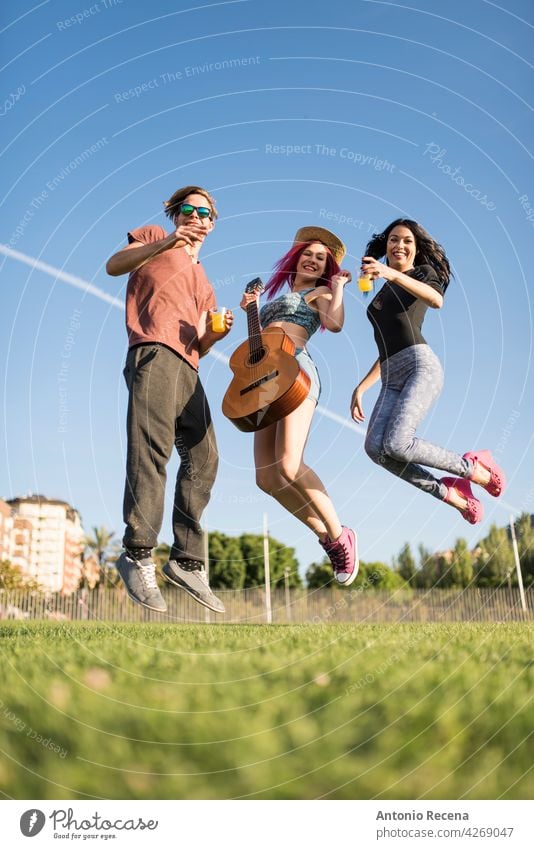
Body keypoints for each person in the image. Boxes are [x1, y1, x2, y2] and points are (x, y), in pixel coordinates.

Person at [106, 185, 234, 614]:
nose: (195, 216)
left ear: (212, 225)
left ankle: (187, 560)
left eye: (204, 213)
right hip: (153, 351)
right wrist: (165, 242)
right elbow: (113, 266)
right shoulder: (150, 237)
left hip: (189, 366)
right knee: (152, 450)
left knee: (205, 457)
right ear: (176, 214)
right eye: (188, 209)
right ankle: (138, 554)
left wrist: (217, 333)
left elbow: (202, 340)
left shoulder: (204, 282)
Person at [350, 218, 505, 523]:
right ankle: (453, 496)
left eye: (407, 240)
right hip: (391, 375)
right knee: (376, 449)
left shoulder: (423, 274)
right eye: (394, 240)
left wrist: (389, 273)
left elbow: (436, 300)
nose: (399, 245)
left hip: (420, 366)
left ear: (416, 248)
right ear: (387, 245)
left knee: (398, 443)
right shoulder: (383, 291)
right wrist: (361, 388)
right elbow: (385, 348)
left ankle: (476, 469)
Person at [240, 227, 358, 585]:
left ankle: (341, 536)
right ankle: (325, 536)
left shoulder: (320, 291)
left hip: (297, 373)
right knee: (266, 477)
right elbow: (257, 345)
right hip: (264, 376)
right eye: (309, 253)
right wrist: (251, 312)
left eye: (321, 257)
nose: (313, 259)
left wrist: (337, 289)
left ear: (326, 267)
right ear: (297, 257)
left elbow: (334, 324)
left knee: (289, 465)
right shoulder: (278, 294)